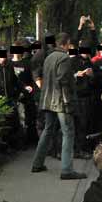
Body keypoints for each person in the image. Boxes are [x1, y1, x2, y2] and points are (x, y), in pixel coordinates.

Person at [31, 33, 87, 180]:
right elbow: (63, 80)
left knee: (48, 130)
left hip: (48, 99)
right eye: (69, 44)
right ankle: (67, 170)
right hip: (61, 102)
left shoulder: (49, 57)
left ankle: (37, 163)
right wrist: (73, 82)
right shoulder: (64, 58)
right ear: (66, 43)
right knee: (68, 133)